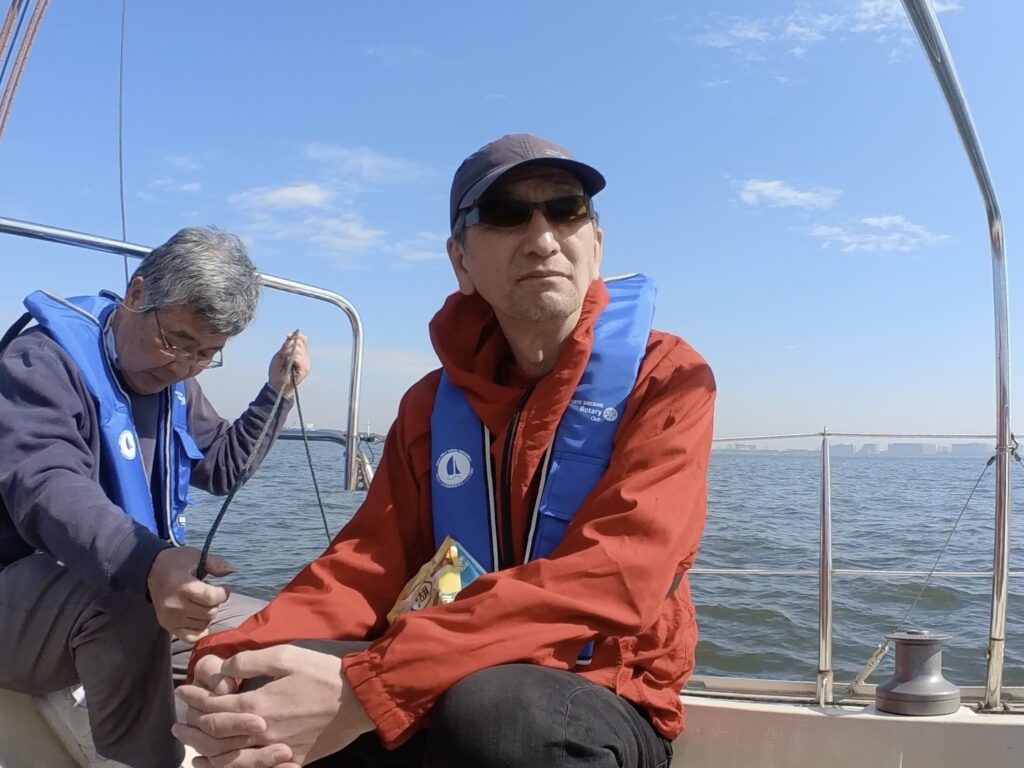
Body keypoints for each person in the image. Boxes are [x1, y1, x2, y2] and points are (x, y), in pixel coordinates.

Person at [178, 134, 715, 768]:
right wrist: (233, 654)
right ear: (461, 261)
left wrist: (373, 684)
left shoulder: (666, 378)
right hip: (440, 670)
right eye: (506, 215)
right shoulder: (430, 407)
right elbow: (365, 565)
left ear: (595, 243)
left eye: (565, 209)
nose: (543, 238)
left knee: (499, 717)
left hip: (601, 692)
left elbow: (620, 575)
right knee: (263, 687)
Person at [0, 226, 310, 768]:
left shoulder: (175, 385)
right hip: (19, 602)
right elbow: (46, 483)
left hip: (114, 592)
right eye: (176, 341)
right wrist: (148, 563)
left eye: (207, 353)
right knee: (129, 592)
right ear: (138, 293)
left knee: (274, 631)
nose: (183, 366)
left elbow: (223, 465)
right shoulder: (39, 363)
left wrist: (277, 392)